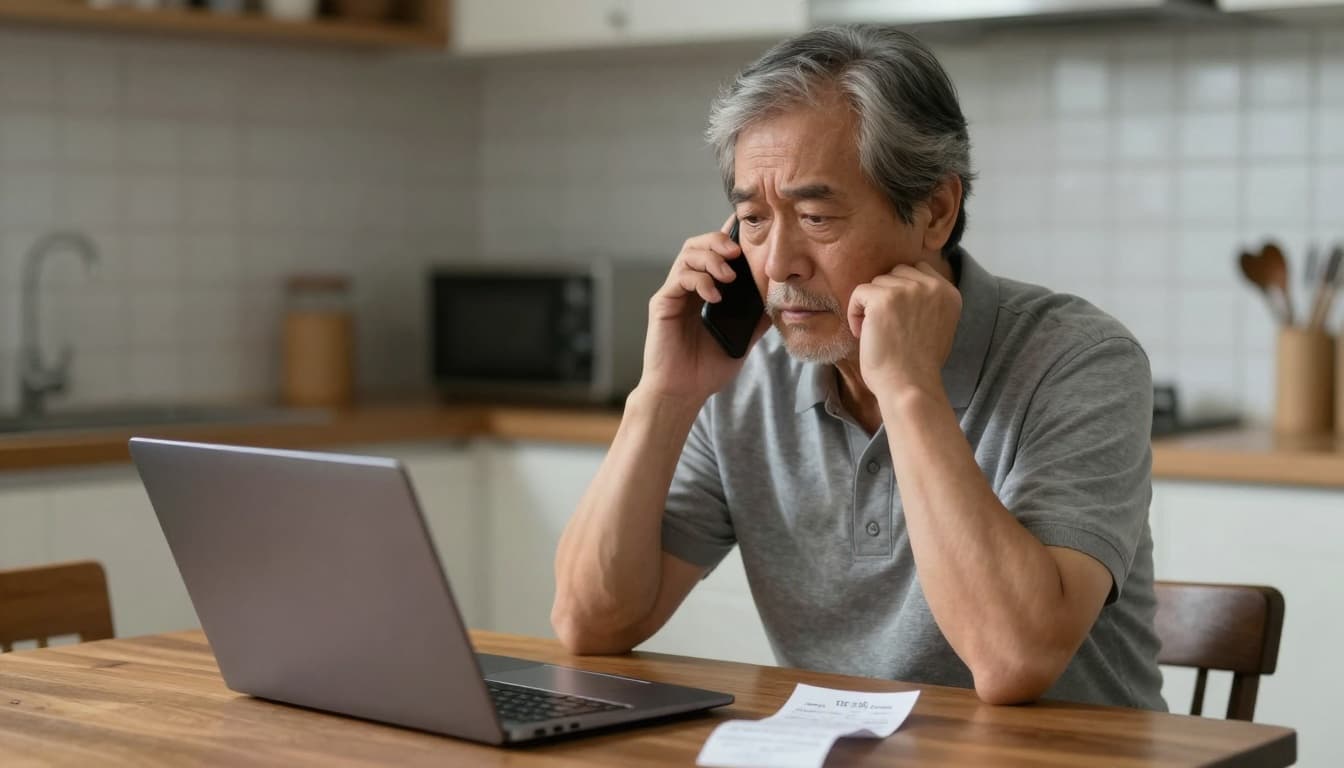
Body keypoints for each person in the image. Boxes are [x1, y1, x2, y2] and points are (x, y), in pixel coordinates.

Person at [551, 24, 1165, 710]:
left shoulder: (1080, 360)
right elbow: (590, 623)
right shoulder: (746, 374)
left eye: (815, 216)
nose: (778, 263)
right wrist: (662, 396)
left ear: (934, 211)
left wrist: (909, 390)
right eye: (752, 220)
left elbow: (1013, 659)